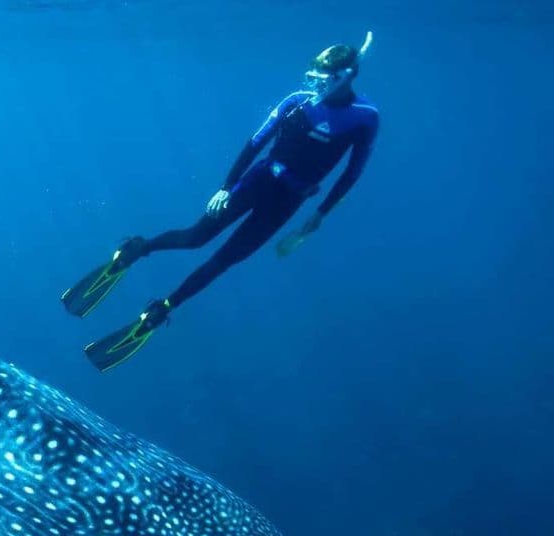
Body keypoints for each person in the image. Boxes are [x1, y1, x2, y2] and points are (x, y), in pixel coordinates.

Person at [63, 34, 379, 372]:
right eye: (312, 77)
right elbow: (255, 143)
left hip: (288, 201)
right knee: (195, 237)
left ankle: (163, 308)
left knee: (225, 260)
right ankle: (138, 249)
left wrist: (318, 216)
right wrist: (226, 188)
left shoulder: (364, 117)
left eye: (323, 79)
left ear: (344, 76)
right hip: (257, 181)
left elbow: (352, 172)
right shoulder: (297, 102)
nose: (315, 84)